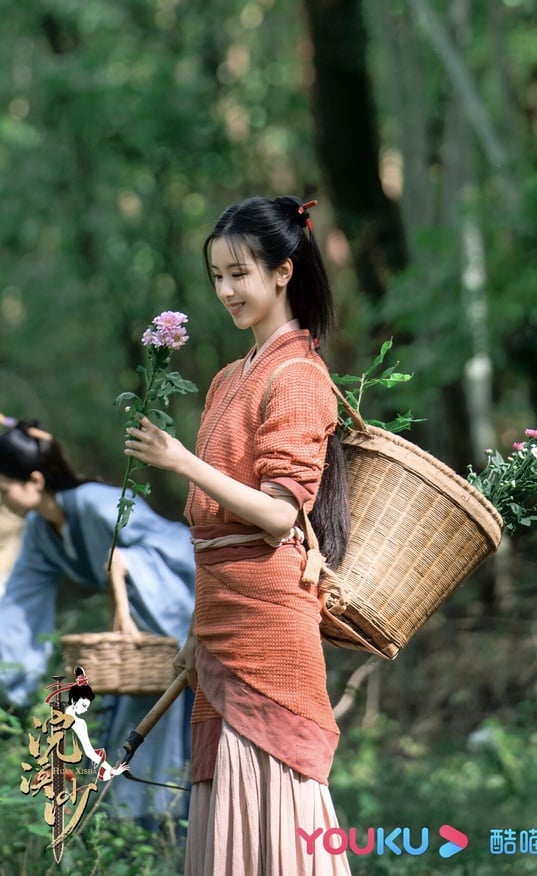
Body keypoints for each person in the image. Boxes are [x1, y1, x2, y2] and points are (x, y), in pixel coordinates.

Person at [123, 195, 353, 875]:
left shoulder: (301, 377)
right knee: (226, 791)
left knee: (276, 781)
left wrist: (181, 461)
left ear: (283, 272)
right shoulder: (230, 376)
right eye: (216, 276)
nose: (224, 291)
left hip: (270, 619)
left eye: (238, 274)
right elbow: (216, 533)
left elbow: (281, 514)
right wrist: (198, 629)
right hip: (221, 611)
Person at [0, 415, 196, 825]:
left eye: (4, 489)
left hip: (173, 623)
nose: (2, 499)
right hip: (134, 648)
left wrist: (131, 564)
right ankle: (137, 824)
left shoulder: (94, 502)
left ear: (35, 482)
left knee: (169, 727)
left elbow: (175, 545)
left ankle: (166, 823)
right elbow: (22, 599)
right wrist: (11, 676)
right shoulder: (40, 529)